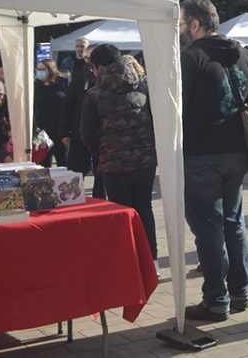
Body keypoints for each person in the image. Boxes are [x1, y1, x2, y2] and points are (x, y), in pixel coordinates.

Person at [180, 0, 248, 322]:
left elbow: (179, 108)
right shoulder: (242, 53)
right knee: (234, 222)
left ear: (196, 24)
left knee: (209, 227)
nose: (181, 29)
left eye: (183, 22)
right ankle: (241, 292)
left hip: (202, 153)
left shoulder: (192, 58)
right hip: (239, 151)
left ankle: (216, 300)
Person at [79, 44, 158, 264]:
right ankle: (152, 260)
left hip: (113, 164)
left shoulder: (94, 94)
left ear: (99, 67)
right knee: (144, 208)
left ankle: (130, 262)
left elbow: (86, 134)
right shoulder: (144, 86)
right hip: (146, 161)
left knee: (123, 213)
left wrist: (101, 152)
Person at [58, 43, 102, 197]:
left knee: (101, 175)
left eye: (91, 58)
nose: (88, 61)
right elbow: (68, 103)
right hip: (80, 131)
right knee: (76, 171)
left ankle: (100, 201)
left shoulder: (109, 78)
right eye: (87, 58)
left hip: (103, 134)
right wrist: (64, 131)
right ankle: (73, 200)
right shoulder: (80, 74)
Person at [34, 59, 67, 167]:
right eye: (37, 69)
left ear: (50, 70)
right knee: (44, 163)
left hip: (60, 127)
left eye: (42, 69)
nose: (39, 71)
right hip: (43, 130)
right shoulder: (36, 85)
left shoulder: (62, 82)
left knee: (63, 161)